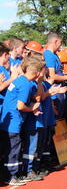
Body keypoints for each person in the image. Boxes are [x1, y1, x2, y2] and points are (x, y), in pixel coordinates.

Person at [0, 57, 44, 186]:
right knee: (13, 150)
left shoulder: (21, 80)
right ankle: (11, 176)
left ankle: (9, 174)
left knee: (9, 149)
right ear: (37, 73)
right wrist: (32, 108)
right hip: (13, 123)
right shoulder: (25, 84)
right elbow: (20, 106)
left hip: (8, 122)